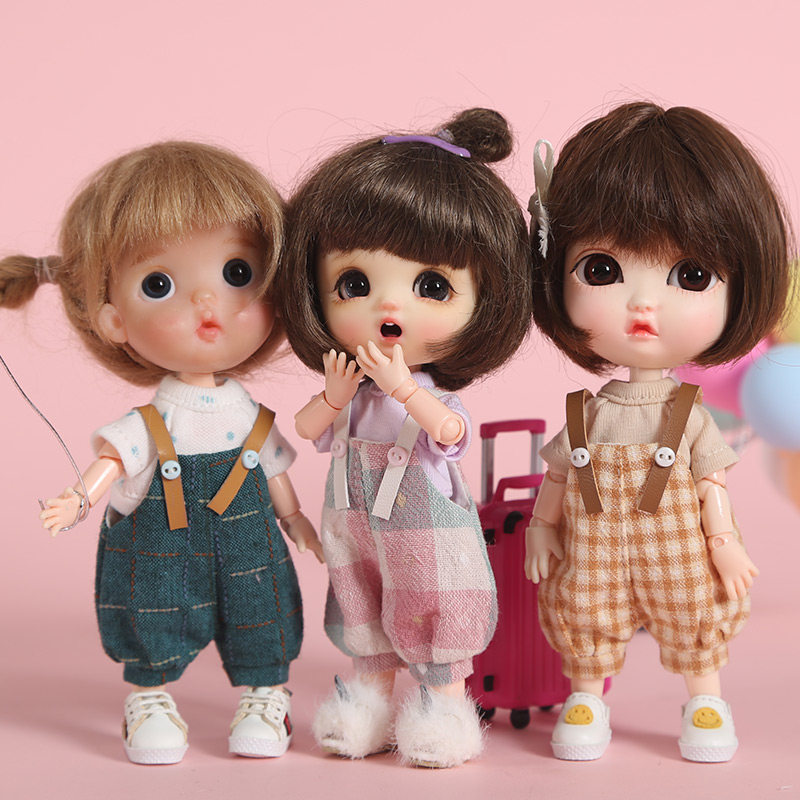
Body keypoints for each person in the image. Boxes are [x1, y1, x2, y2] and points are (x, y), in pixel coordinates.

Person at [0, 141, 322, 764]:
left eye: (238, 273)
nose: (208, 305)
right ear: (113, 319)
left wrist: (296, 520)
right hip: (161, 541)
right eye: (159, 285)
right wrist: (78, 498)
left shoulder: (249, 416)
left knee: (262, 605)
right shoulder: (151, 422)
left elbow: (274, 471)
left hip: (249, 537)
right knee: (151, 606)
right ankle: (148, 696)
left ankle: (267, 692)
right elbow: (115, 461)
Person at [524, 102, 792, 762]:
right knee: (585, 609)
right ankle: (586, 695)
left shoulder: (690, 413)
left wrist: (723, 544)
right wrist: (540, 528)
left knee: (693, 609)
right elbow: (557, 475)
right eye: (602, 270)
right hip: (593, 551)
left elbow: (710, 484)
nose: (644, 304)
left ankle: (705, 698)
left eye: (690, 276)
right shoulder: (586, 414)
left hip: (679, 551)